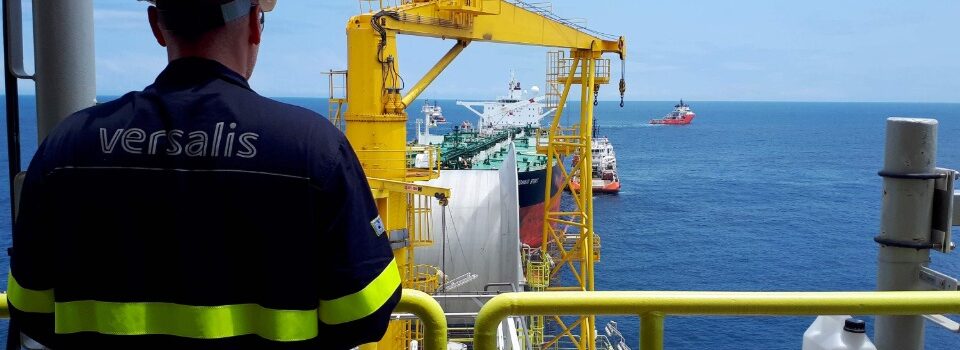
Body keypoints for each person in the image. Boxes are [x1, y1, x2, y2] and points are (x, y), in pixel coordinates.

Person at [7, 0, 401, 349]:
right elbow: (363, 315)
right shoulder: (314, 149)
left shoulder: (67, 147)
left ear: (157, 26)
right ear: (252, 24)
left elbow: (31, 308)